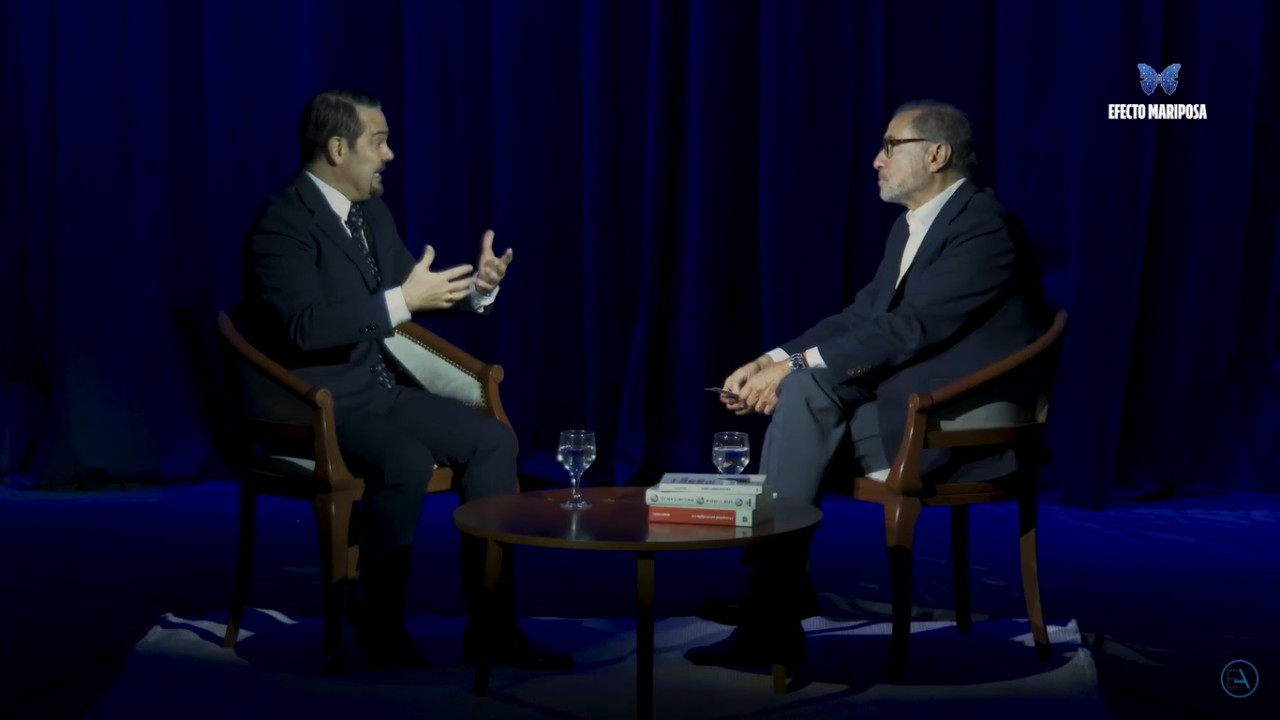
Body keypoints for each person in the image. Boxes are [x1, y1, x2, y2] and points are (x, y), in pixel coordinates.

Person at [686, 100, 1049, 668]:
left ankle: (772, 601)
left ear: (936, 154)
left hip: (960, 422)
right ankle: (776, 598)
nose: (876, 160)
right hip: (911, 396)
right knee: (804, 396)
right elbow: (863, 317)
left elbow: (912, 327)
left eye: (890, 146)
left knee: (805, 398)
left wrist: (795, 372)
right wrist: (772, 358)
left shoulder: (982, 227)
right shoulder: (916, 225)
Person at [238, 89, 569, 672]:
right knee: (404, 458)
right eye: (378, 142)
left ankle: (492, 627)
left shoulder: (369, 213)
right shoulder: (283, 223)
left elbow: (407, 294)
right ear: (337, 148)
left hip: (374, 393)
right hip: (316, 405)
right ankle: (379, 627)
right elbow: (303, 326)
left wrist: (477, 289)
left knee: (493, 439)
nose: (390, 155)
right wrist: (400, 299)